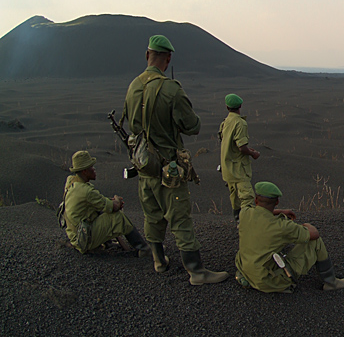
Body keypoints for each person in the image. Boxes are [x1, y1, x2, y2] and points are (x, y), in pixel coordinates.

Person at [122, 34, 228, 285]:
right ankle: (196, 271)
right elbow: (192, 126)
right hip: (168, 167)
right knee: (179, 216)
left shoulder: (133, 86)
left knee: (152, 213)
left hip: (144, 165)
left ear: (147, 55)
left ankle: (159, 261)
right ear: (167, 59)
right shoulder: (170, 89)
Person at [235, 181, 344, 293]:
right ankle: (331, 282)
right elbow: (314, 234)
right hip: (267, 280)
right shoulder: (283, 226)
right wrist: (306, 225)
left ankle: (246, 278)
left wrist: (279, 212)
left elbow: (260, 212)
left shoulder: (244, 213)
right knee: (316, 242)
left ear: (256, 200)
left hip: (246, 270)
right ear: (277, 202)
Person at [62, 150, 149, 255]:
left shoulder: (71, 181)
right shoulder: (86, 191)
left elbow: (98, 202)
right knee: (118, 218)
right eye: (91, 167)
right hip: (83, 240)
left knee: (101, 213)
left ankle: (105, 241)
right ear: (84, 171)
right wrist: (117, 201)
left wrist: (109, 202)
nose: (94, 169)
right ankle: (144, 249)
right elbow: (114, 207)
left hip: (76, 235)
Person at [219, 94, 260, 223]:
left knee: (234, 197)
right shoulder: (240, 123)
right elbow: (241, 147)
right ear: (240, 106)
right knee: (247, 197)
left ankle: (238, 220)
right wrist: (253, 154)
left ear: (227, 107)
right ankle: (247, 225)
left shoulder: (225, 122)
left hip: (227, 168)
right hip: (238, 168)